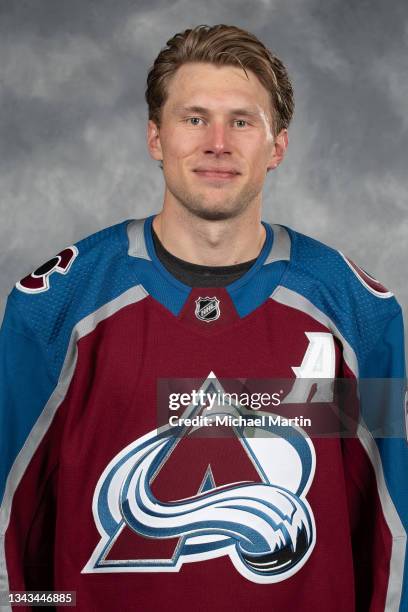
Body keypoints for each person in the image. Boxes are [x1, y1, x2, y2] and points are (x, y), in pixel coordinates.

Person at [0, 23, 406, 612]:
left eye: (242, 121)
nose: (218, 142)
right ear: (155, 138)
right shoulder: (56, 308)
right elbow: (11, 530)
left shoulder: (358, 312)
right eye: (194, 118)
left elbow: (392, 532)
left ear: (279, 146)